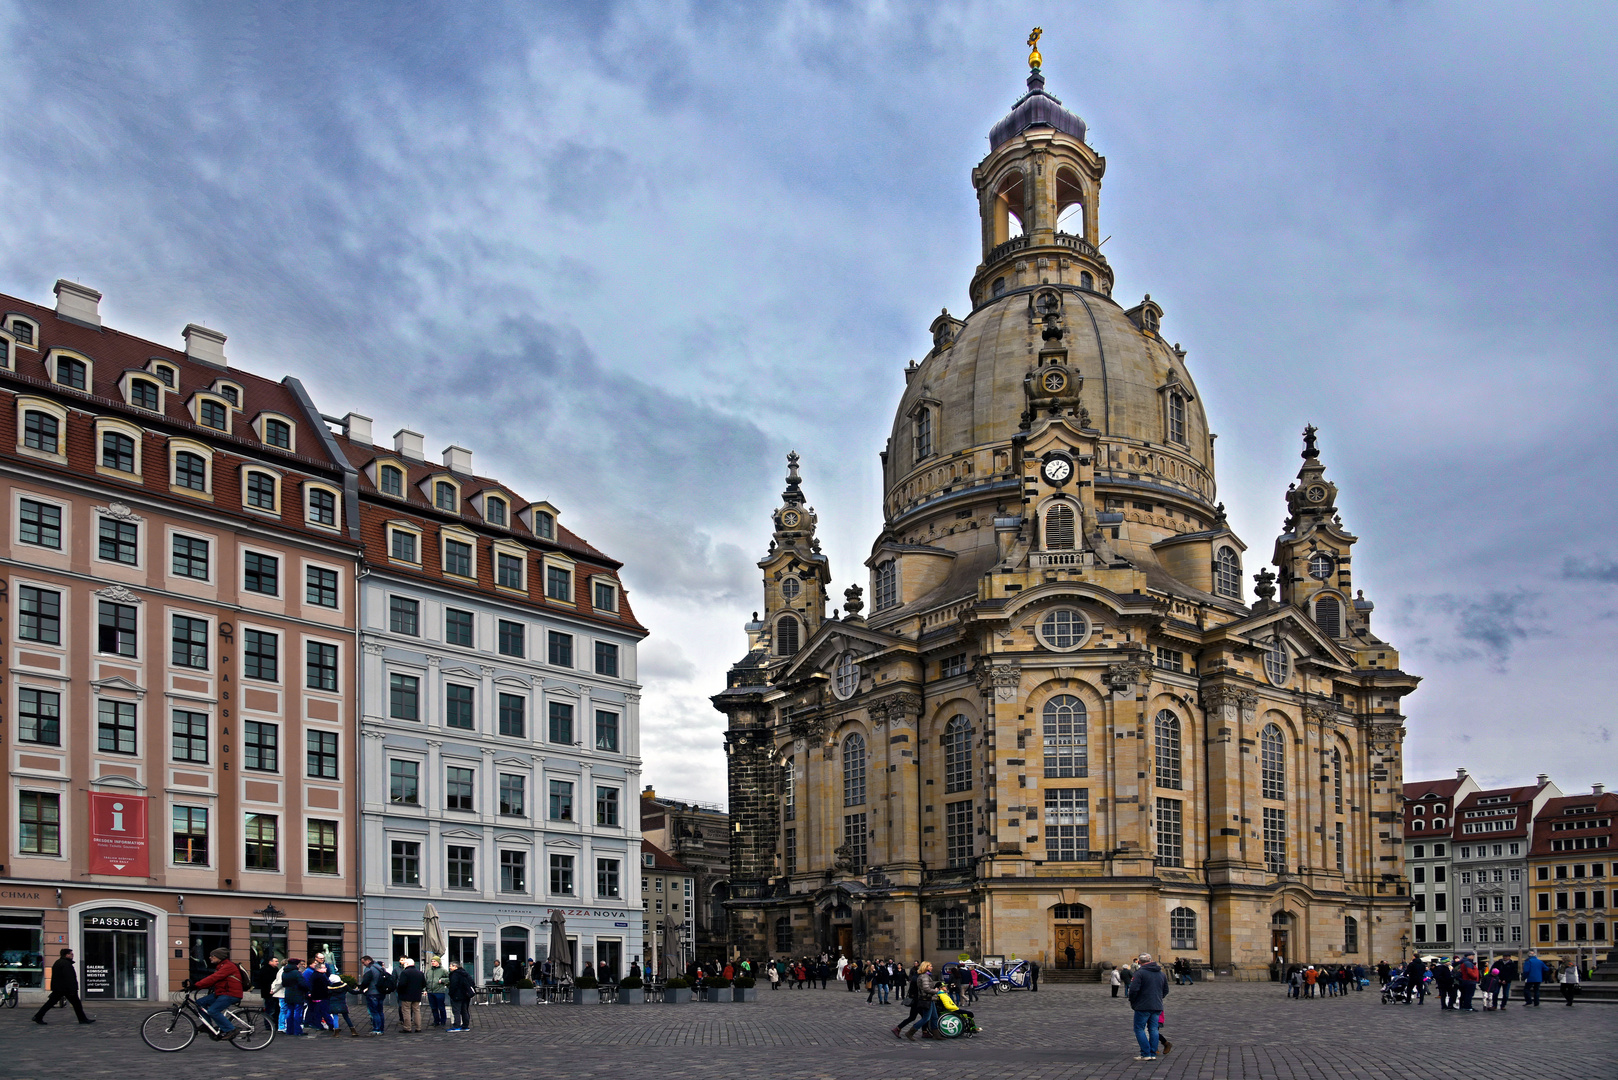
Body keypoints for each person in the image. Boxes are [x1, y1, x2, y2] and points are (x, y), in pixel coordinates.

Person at [193, 947, 247, 1036]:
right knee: (200, 1002)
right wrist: (195, 987)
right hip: (222, 993)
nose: (210, 957)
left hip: (230, 994)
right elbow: (214, 980)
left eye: (212, 956)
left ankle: (231, 1029)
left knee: (213, 1011)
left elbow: (214, 977)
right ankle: (207, 1025)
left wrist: (196, 985)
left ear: (219, 957)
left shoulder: (228, 966)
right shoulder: (221, 966)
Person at [32, 948, 93, 1025]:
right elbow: (69, 977)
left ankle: (38, 1016)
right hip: (66, 988)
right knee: (76, 1004)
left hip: (59, 988)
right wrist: (73, 989)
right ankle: (82, 1019)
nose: (72, 955)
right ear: (66, 955)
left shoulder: (58, 962)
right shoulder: (66, 964)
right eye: (71, 954)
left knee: (50, 1003)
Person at [1126, 953, 1170, 1062]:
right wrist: (1158, 998)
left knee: (1139, 1029)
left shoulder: (1139, 973)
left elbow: (1133, 990)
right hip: (1157, 1006)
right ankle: (1153, 1053)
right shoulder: (1161, 973)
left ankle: (1145, 1053)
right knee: (1153, 1029)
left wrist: (1133, 1002)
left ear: (1140, 962)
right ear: (1151, 960)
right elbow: (1166, 990)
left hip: (1142, 1006)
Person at [357, 955, 388, 1034]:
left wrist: (361, 989)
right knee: (380, 1011)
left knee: (374, 1012)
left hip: (372, 993)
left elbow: (366, 981)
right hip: (381, 992)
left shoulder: (369, 969)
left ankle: (376, 1029)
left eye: (363, 962)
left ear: (368, 961)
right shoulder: (380, 967)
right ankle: (381, 1029)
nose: (363, 964)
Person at [301, 959, 334, 1035]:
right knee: (325, 1012)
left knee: (317, 1012)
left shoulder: (314, 975)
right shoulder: (320, 977)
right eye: (324, 968)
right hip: (322, 997)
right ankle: (332, 1025)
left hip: (316, 997)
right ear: (319, 969)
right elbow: (326, 985)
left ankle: (318, 1025)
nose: (326, 969)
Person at [396, 956, 426, 1032]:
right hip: (417, 995)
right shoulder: (420, 973)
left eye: (405, 963)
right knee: (417, 1011)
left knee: (406, 1011)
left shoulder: (405, 972)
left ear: (407, 964)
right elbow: (424, 984)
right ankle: (418, 1027)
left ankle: (407, 1027)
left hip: (406, 995)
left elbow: (402, 984)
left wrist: (399, 991)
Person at [446, 959, 475, 1030]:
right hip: (466, 995)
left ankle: (456, 1025)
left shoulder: (454, 974)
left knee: (456, 1011)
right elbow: (472, 983)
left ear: (455, 967)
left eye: (451, 966)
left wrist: (451, 993)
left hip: (457, 995)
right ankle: (465, 1025)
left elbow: (453, 985)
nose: (450, 968)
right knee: (464, 1010)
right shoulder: (465, 973)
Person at [425, 956, 449, 1025]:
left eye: (434, 961)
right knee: (433, 1007)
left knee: (441, 1007)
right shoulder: (429, 971)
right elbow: (426, 981)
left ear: (438, 962)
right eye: (432, 961)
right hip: (430, 991)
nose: (432, 962)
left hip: (439, 991)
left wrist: (442, 980)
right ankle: (436, 1020)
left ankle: (443, 1020)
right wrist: (425, 989)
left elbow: (449, 978)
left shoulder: (443, 970)